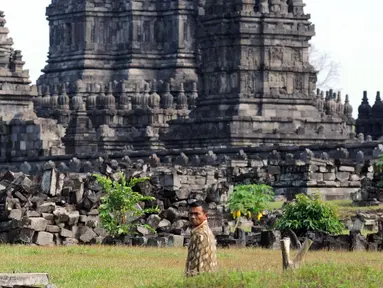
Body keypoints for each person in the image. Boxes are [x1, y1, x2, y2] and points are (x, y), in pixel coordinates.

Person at [185, 200, 218, 277]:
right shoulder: (199, 231)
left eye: (197, 214)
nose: (193, 217)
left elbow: (200, 264)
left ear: (206, 216)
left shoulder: (201, 234)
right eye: (191, 214)